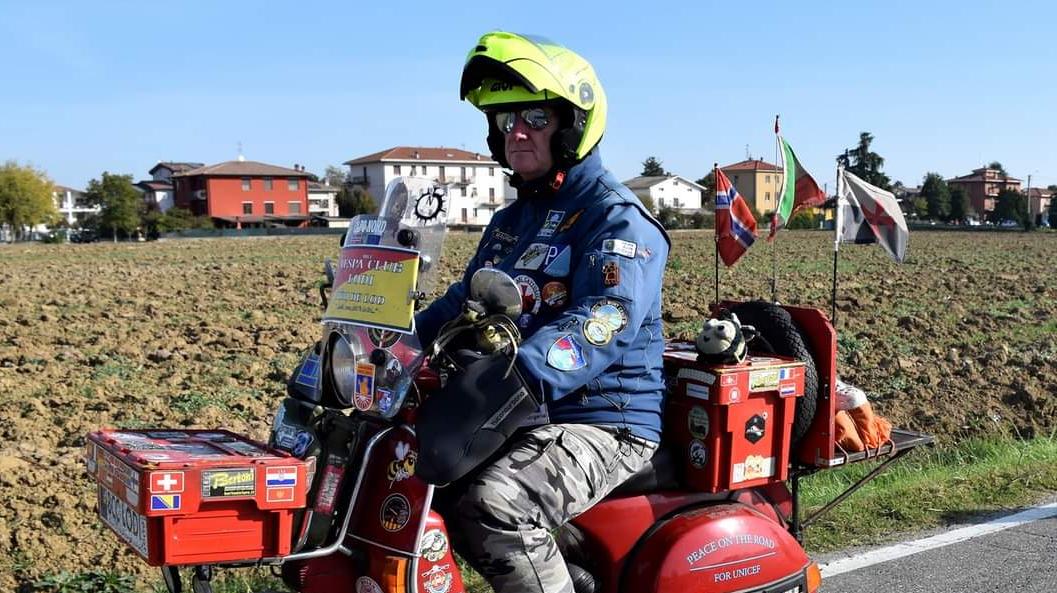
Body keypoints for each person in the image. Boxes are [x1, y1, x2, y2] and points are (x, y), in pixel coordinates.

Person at [414, 31, 670, 593]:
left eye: (534, 116)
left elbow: (604, 320)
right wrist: (399, 341)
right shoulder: (511, 222)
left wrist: (520, 372)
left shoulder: (614, 219)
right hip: (520, 409)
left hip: (603, 420)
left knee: (494, 506)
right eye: (507, 122)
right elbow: (466, 300)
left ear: (573, 124)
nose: (518, 132)